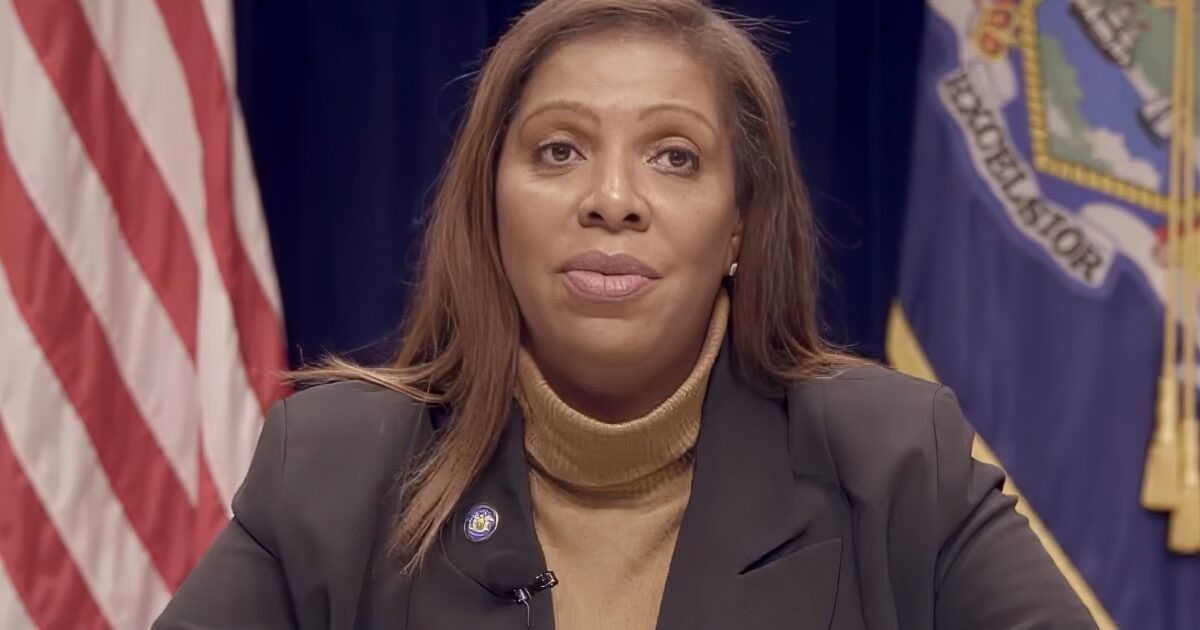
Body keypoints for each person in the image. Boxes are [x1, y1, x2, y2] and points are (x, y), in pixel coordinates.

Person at [154, 0, 1097, 628]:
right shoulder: (332, 472)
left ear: (740, 226)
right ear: (491, 207)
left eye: (675, 157)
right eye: (559, 151)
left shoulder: (896, 467)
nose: (612, 200)